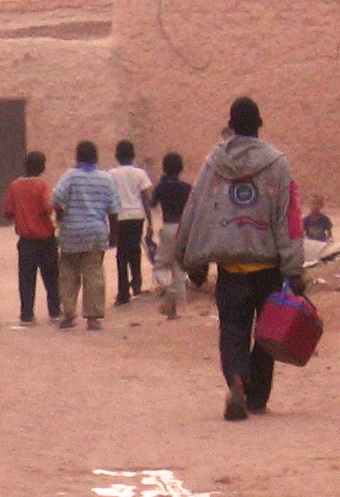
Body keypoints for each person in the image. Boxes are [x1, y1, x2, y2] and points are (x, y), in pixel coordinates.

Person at [167, 96, 306, 421]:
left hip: (231, 268)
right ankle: (257, 398)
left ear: (230, 124)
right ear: (259, 124)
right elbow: (288, 218)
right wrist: (294, 268)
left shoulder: (214, 163)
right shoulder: (276, 163)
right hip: (268, 266)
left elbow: (196, 208)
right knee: (267, 333)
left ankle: (236, 380)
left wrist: (190, 258)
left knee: (233, 329)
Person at [50, 141, 121, 330]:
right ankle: (93, 318)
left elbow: (56, 198)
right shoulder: (106, 179)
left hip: (71, 232)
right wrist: (113, 234)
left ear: (77, 156)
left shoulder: (71, 176)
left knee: (68, 273)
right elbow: (114, 209)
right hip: (96, 233)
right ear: (96, 157)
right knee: (94, 274)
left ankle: (69, 313)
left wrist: (60, 214)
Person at [1, 151, 59, 324]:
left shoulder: (15, 186)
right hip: (45, 237)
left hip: (25, 239)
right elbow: (48, 208)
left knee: (26, 279)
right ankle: (55, 311)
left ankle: (27, 314)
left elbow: (8, 213)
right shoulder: (42, 185)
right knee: (51, 277)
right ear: (41, 166)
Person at [107, 140, 155, 306]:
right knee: (135, 250)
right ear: (133, 156)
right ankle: (136, 285)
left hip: (119, 217)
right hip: (137, 216)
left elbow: (109, 199)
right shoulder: (140, 173)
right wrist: (150, 222)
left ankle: (123, 292)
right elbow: (145, 199)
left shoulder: (111, 174)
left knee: (121, 254)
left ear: (117, 156)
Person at [150, 151, 193, 321]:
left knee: (160, 266)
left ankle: (169, 289)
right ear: (181, 168)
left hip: (168, 227)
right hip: (183, 229)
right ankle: (174, 309)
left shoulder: (162, 187)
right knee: (179, 267)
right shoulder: (187, 188)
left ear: (164, 168)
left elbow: (152, 204)